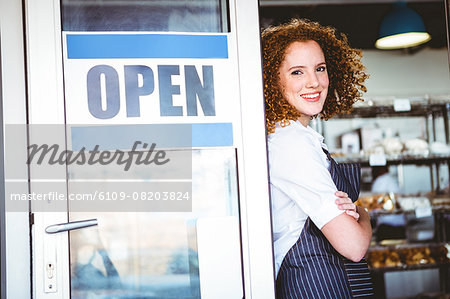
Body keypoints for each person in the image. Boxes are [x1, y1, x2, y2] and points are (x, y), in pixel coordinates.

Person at [262, 19, 374, 298]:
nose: (314, 82)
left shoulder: (294, 136)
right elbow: (354, 245)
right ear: (271, 80)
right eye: (297, 72)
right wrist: (364, 214)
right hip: (314, 285)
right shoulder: (291, 143)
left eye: (320, 68)